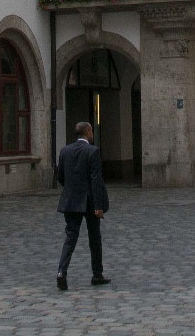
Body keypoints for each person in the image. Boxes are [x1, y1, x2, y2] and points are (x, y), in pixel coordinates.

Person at [54, 121, 110, 290]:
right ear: (87, 132)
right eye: (92, 131)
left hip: (70, 201)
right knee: (95, 238)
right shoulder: (92, 152)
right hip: (89, 201)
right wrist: (98, 206)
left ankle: (61, 272)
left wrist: (71, 190)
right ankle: (97, 274)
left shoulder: (65, 151)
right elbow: (95, 180)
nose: (93, 133)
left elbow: (61, 177)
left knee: (70, 237)